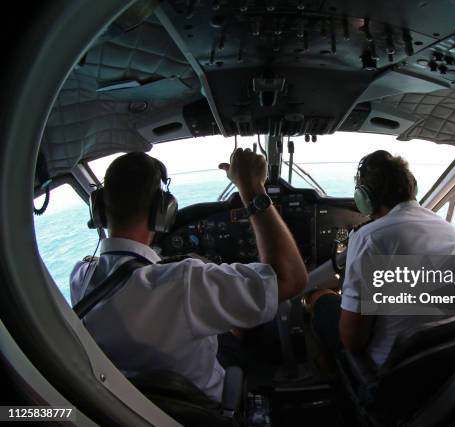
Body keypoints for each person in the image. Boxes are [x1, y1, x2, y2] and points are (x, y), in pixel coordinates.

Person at [70, 149, 307, 402]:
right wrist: (251, 188)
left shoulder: (80, 279)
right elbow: (290, 279)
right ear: (162, 211)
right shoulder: (185, 281)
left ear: (99, 210)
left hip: (134, 405)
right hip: (203, 408)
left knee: (226, 320)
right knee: (245, 328)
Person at [310, 150, 455, 367]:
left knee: (319, 297)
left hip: (387, 368)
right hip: (440, 355)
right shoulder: (450, 231)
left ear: (364, 198)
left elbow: (353, 341)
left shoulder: (370, 237)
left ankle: (333, 374)